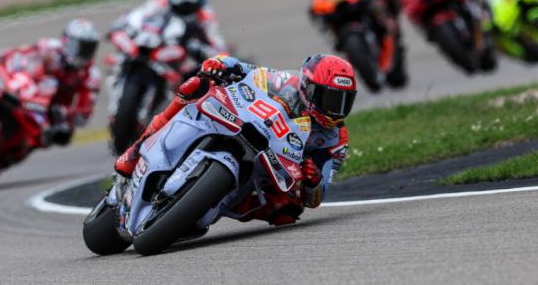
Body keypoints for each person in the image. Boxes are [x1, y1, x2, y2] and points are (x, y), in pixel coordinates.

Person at [113, 54, 356, 226]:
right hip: (241, 122)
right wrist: (219, 65)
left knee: (288, 210)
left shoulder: (336, 138)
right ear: (309, 87)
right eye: (331, 100)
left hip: (274, 165)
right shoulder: (284, 81)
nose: (337, 110)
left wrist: (313, 181)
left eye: (345, 102)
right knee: (196, 85)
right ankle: (136, 149)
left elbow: (317, 197)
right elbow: (243, 67)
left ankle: (209, 205)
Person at [0, 18, 101, 165]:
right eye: (80, 46)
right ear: (66, 40)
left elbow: (84, 112)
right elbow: (19, 53)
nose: (83, 52)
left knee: (41, 140)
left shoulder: (90, 76)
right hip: (23, 90)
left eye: (89, 48)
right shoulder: (48, 47)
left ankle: (6, 158)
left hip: (45, 113)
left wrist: (65, 115)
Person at [106, 0, 228, 76]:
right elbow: (137, 17)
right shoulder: (159, 4)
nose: (186, 10)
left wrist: (216, 55)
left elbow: (216, 42)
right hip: (154, 44)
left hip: (179, 55)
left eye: (190, 6)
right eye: (181, 7)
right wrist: (125, 26)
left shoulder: (205, 15)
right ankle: (121, 66)